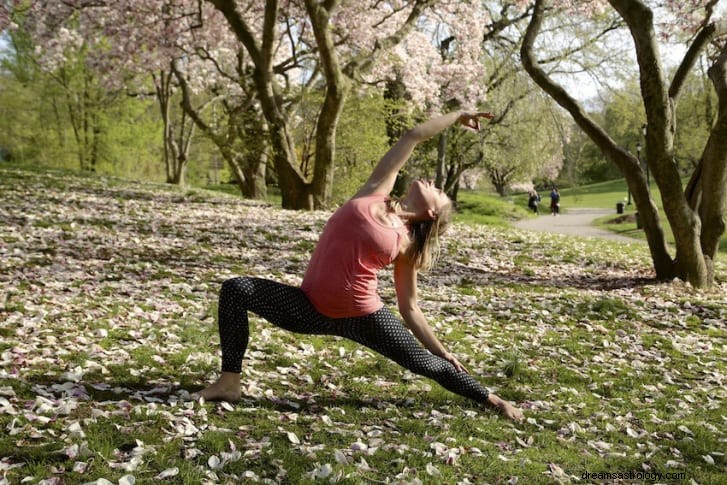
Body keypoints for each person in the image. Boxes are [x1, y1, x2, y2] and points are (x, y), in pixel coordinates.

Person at [197, 110, 524, 422]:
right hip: (308, 308)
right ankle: (229, 382)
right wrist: (457, 117)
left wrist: (442, 350)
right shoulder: (375, 191)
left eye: (439, 192)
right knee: (236, 290)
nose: (433, 184)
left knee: (426, 363)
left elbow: (410, 308)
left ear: (433, 214)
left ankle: (493, 400)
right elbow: (412, 136)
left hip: (364, 316)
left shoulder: (406, 244)